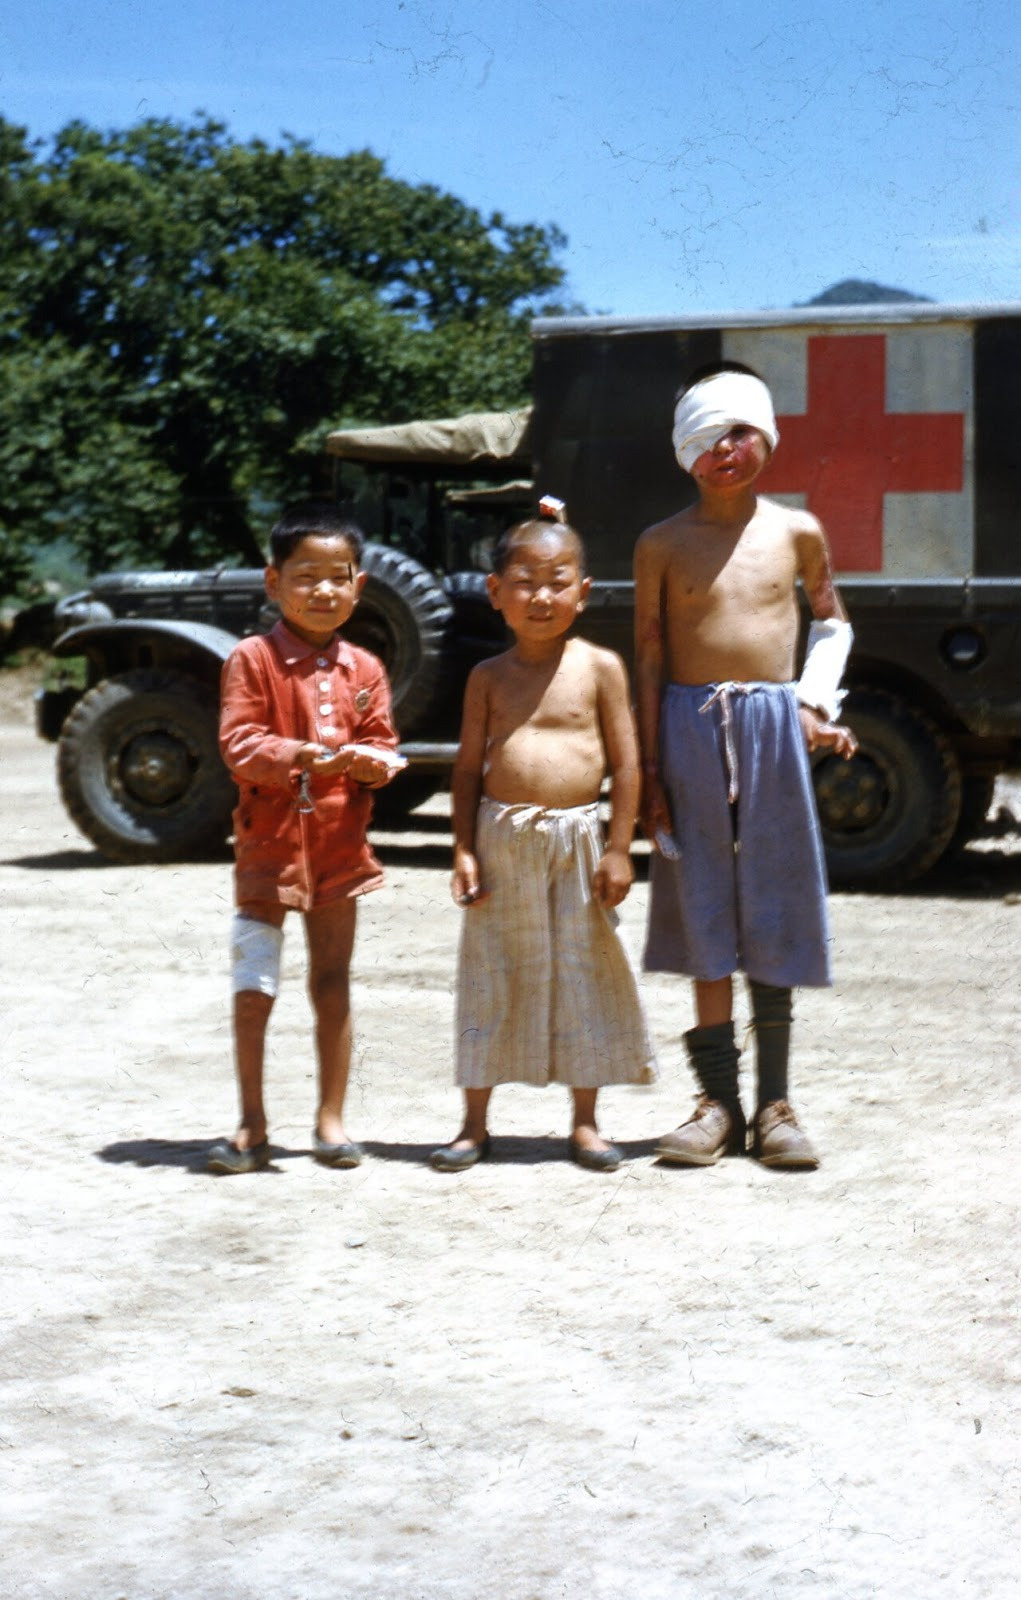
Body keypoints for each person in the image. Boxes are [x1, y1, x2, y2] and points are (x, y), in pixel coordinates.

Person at [634, 363, 857, 1170]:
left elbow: (830, 624)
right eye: (705, 437)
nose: (724, 451)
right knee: (701, 906)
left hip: (769, 724)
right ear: (682, 451)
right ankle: (715, 1105)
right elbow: (651, 656)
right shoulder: (660, 543)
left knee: (772, 900)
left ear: (766, 433)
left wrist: (813, 704)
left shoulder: (796, 532)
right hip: (687, 728)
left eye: (738, 431)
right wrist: (651, 771)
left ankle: (773, 1104)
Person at [432, 512, 657, 1174]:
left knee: (582, 975)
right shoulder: (487, 677)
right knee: (490, 976)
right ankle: (473, 1123)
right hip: (502, 841)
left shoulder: (599, 668)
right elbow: (468, 769)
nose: (540, 597)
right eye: (523, 582)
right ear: (493, 591)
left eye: (556, 582)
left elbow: (628, 764)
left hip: (580, 841)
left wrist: (619, 848)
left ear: (582, 592)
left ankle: (584, 1123)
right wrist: (463, 849)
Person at [208, 501, 404, 1174]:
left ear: (358, 586)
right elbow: (239, 743)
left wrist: (372, 761)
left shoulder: (366, 669)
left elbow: (382, 743)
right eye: (305, 575)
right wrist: (300, 755)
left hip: (340, 844)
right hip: (267, 843)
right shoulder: (252, 660)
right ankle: (251, 1122)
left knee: (332, 980)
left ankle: (331, 1120)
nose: (322, 590)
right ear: (273, 582)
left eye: (338, 576)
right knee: (255, 977)